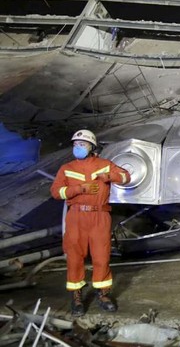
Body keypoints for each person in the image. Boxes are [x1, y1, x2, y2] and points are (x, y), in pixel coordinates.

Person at [50, 129, 131, 317]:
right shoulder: (67, 168)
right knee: (74, 257)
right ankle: (76, 297)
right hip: (76, 217)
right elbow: (56, 192)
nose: (78, 148)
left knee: (101, 257)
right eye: (75, 145)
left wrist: (110, 176)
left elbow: (126, 176)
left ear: (92, 147)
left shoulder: (104, 165)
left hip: (99, 216)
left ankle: (103, 294)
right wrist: (79, 188)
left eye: (82, 144)